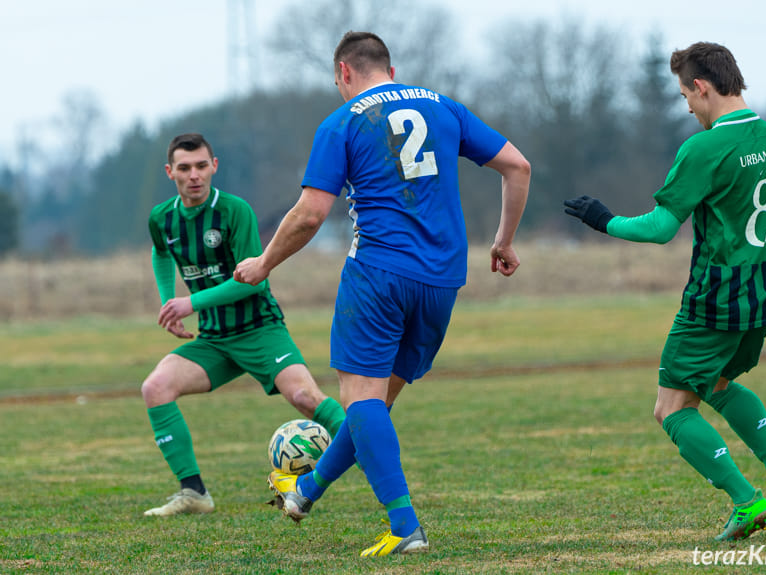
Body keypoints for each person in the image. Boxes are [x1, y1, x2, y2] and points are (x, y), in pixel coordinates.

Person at [234, 31, 530, 556]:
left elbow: (309, 215)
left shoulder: (343, 121)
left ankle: (405, 525)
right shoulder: (444, 107)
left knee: (361, 400)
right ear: (389, 71)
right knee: (375, 406)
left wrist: (263, 263)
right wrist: (503, 241)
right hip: (442, 280)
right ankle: (305, 491)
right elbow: (518, 167)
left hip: (378, 274)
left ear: (344, 73)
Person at [564, 42, 766, 541]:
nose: (688, 108)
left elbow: (659, 228)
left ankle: (747, 502)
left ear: (702, 86)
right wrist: (761, 263)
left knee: (672, 408)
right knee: (715, 382)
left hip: (713, 299)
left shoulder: (705, 148)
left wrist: (604, 220)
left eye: (685, 97)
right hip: (764, 295)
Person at [142, 133, 346, 517]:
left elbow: (254, 278)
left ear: (214, 166)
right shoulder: (162, 218)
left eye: (202, 166)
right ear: (170, 172)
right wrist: (169, 301)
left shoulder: (235, 211)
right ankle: (194, 493)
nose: (194, 175)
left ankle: (368, 451)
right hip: (215, 340)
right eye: (184, 168)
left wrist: (190, 302)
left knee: (305, 398)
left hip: (259, 329)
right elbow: (160, 251)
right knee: (155, 387)